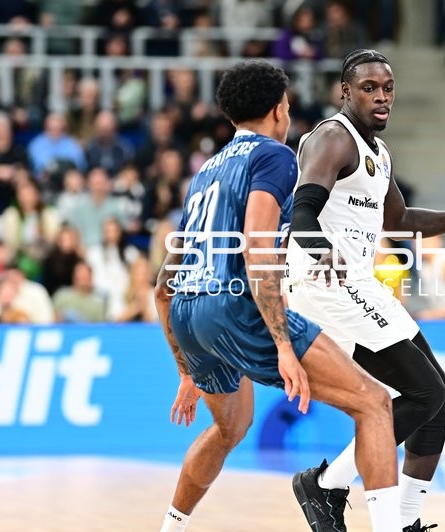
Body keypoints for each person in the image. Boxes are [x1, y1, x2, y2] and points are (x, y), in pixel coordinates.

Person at [154, 59, 401, 532]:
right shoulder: (275, 156)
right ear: (277, 110)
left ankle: (171, 528)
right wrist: (284, 345)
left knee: (230, 427)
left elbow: (163, 287)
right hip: (236, 306)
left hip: (189, 311)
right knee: (374, 402)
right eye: (286, 106)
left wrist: (186, 368)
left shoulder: (205, 172)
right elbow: (257, 246)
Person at [284, 49, 445, 532]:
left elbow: (401, 220)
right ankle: (326, 483)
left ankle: (404, 518)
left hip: (358, 282)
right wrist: (322, 250)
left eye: (388, 88)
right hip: (323, 283)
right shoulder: (333, 137)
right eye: (369, 88)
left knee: (440, 395)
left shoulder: (379, 152)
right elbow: (302, 211)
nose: (381, 97)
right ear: (345, 91)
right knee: (424, 391)